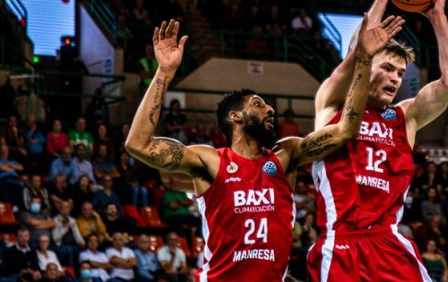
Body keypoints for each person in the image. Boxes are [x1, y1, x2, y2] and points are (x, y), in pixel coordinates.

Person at [124, 17, 401, 282]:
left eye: (268, 105)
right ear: (235, 117)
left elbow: (345, 130)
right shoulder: (211, 161)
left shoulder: (286, 156)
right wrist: (164, 72)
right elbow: (138, 145)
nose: (269, 108)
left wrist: (363, 58)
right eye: (258, 104)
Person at [308, 0, 448, 282]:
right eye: (388, 68)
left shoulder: (404, 117)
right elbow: (355, 57)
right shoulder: (333, 104)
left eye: (400, 73)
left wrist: (438, 18)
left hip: (388, 241)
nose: (395, 78)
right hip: (342, 243)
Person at [53, 202, 84, 270]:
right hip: (60, 244)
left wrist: (81, 241)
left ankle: (79, 272)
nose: (65, 210)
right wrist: (65, 229)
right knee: (69, 250)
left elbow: (77, 233)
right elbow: (55, 238)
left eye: (67, 208)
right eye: (63, 208)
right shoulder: (55, 220)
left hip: (72, 243)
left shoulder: (72, 220)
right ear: (60, 209)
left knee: (81, 250)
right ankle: (71, 272)